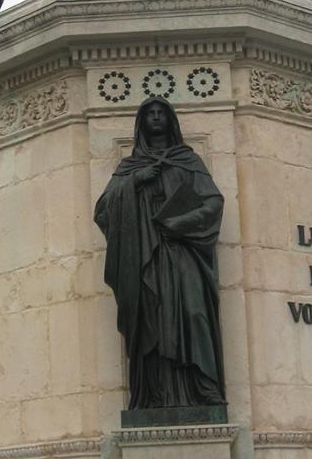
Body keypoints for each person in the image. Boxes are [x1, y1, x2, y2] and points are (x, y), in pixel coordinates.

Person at [95, 97, 225, 410]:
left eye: (160, 113)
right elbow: (103, 211)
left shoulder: (188, 161)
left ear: (170, 120)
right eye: (150, 114)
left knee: (194, 312)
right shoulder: (129, 169)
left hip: (182, 251)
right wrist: (135, 183)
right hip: (143, 255)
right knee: (150, 319)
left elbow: (213, 203)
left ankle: (203, 386)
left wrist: (182, 223)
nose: (155, 117)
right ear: (142, 122)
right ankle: (154, 395)